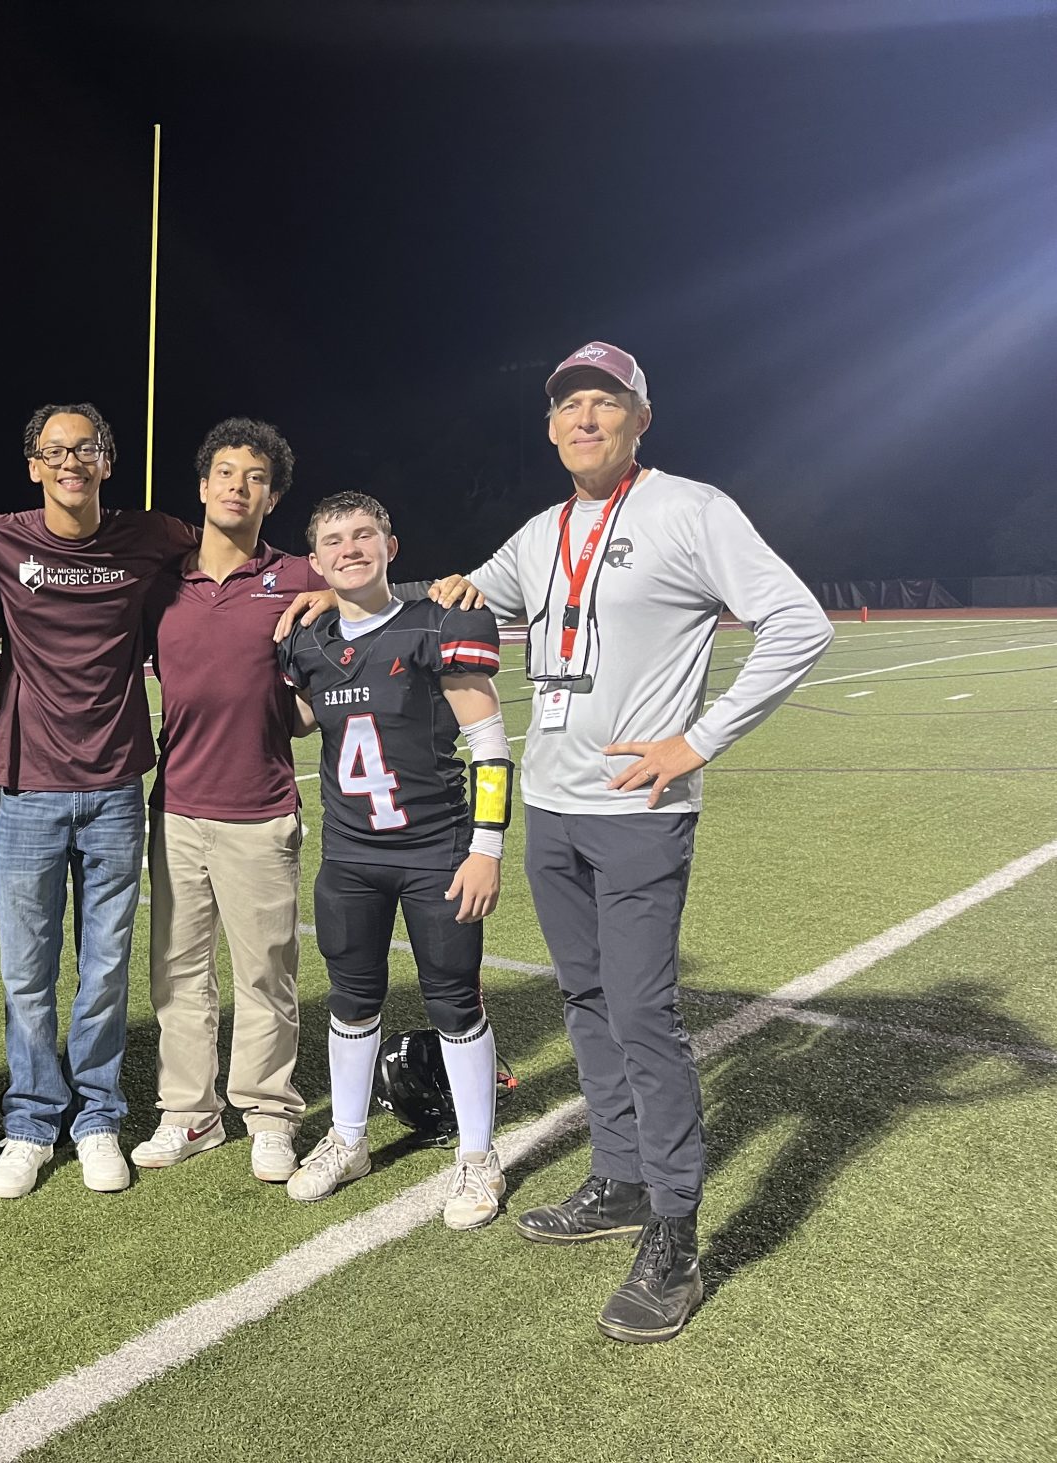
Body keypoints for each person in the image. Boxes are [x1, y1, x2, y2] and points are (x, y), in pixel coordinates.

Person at [430, 341, 834, 1342]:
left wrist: (698, 740)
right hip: (554, 808)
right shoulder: (541, 533)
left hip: (641, 816)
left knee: (644, 1015)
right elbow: (460, 598)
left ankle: (676, 1235)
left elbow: (799, 622)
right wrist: (346, 591)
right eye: (568, 404)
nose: (584, 418)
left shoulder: (691, 510)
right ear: (550, 427)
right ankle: (619, 1177)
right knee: (585, 1000)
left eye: (604, 402)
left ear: (640, 417)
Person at [0, 404, 201, 1198]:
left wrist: (315, 585)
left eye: (85, 448)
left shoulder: (150, 534)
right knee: (27, 974)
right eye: (55, 451)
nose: (70, 462)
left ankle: (96, 1117)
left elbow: (232, 549)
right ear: (33, 466)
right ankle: (29, 1121)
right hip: (29, 788)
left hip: (116, 784)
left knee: (105, 968)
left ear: (107, 461)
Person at [277, 492, 513, 1228]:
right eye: (333, 540)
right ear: (315, 561)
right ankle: (348, 1139)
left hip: (434, 849)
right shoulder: (308, 642)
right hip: (351, 855)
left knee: (454, 1000)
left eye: (363, 535)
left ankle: (477, 1153)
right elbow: (299, 717)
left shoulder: (436, 624)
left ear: (390, 546)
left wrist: (486, 848)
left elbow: (491, 748)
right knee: (351, 998)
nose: (349, 548)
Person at [134, 417, 319, 1184]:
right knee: (177, 973)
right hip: (177, 805)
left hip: (261, 806)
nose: (238, 486)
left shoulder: (301, 575)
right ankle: (191, 1111)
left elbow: (365, 612)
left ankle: (268, 1112)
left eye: (256, 477)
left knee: (265, 974)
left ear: (272, 497)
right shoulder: (162, 582)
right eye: (226, 472)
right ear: (203, 484)